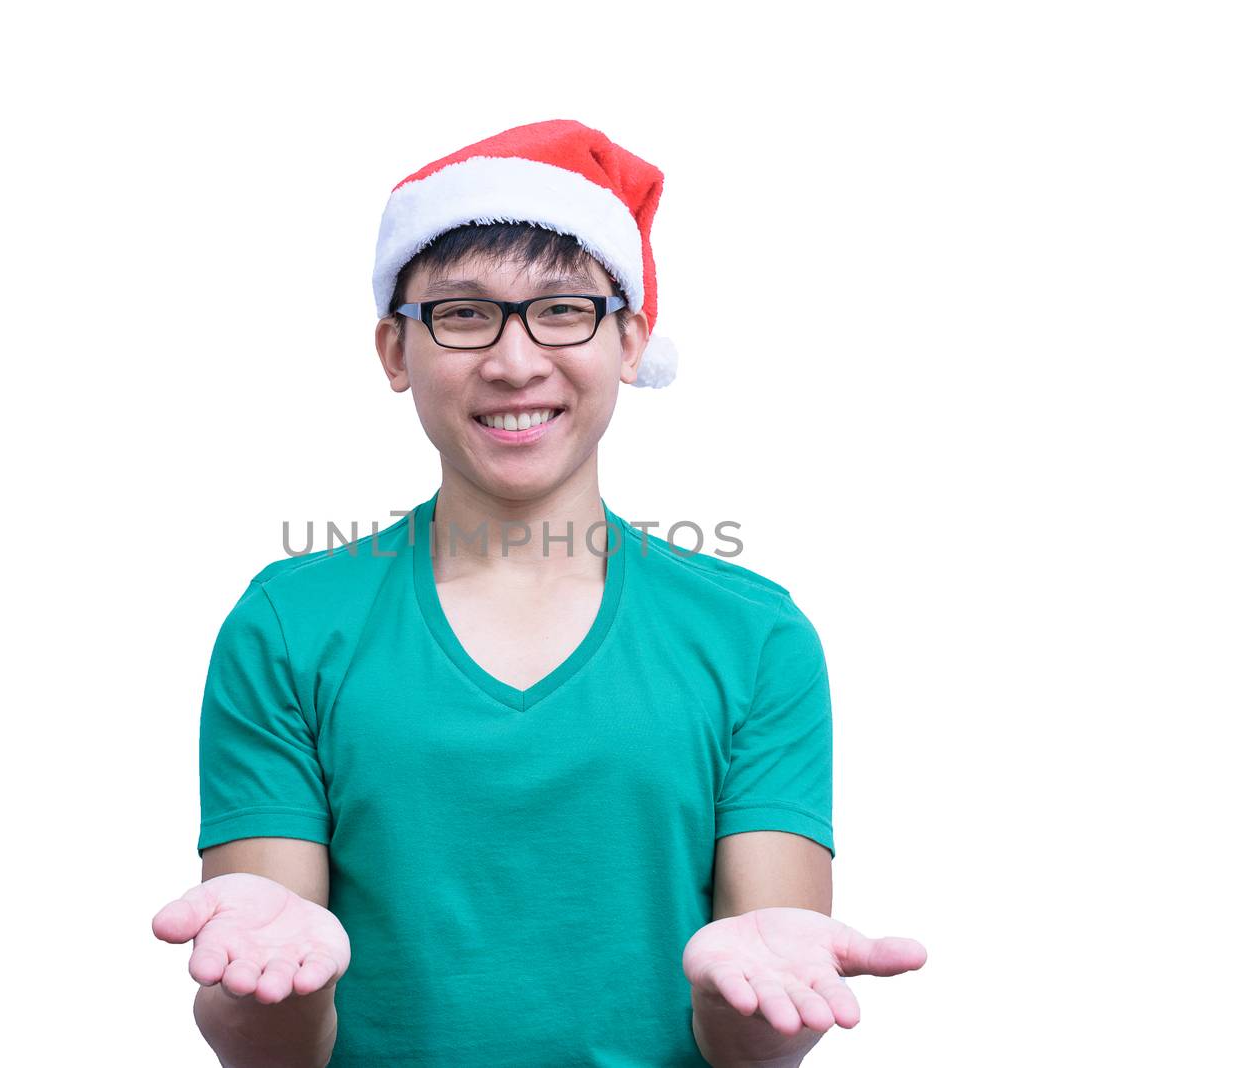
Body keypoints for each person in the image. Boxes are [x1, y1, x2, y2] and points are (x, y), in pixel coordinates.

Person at [152, 118, 927, 1067]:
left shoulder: (754, 637)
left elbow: (752, 1042)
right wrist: (260, 987)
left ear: (631, 340)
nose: (515, 362)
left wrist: (768, 1012)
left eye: (563, 309)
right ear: (395, 352)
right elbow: (274, 1049)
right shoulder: (288, 627)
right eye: (464, 314)